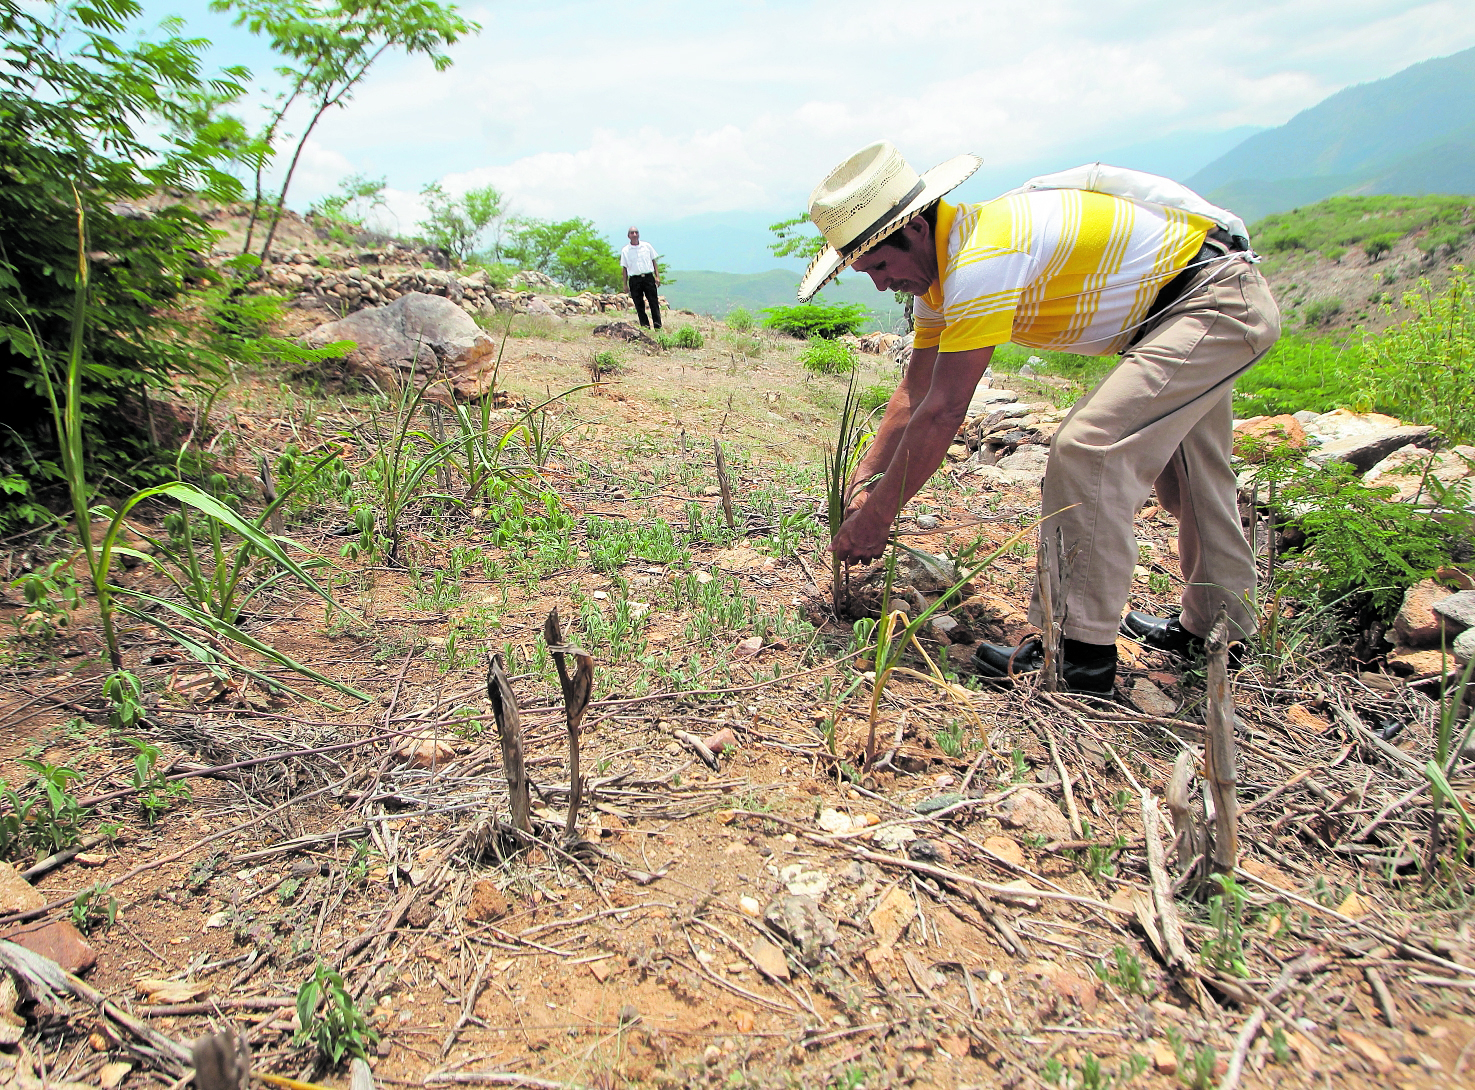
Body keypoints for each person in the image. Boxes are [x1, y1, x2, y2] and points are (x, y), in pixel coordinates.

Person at [800, 141, 1280, 694]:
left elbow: (944, 409)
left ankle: (1077, 654)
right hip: (1186, 308)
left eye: (881, 265)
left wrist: (879, 516)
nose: (880, 284)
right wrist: (865, 482)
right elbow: (915, 390)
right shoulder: (940, 275)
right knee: (1192, 474)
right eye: (866, 272)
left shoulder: (982, 258)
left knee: (1089, 448)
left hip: (1214, 301)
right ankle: (1218, 631)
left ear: (914, 229)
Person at [620, 226, 662, 330]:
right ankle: (645, 327)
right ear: (628, 236)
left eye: (636, 232)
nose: (634, 235)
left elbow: (654, 261)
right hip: (635, 280)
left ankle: (658, 327)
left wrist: (657, 276)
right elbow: (624, 268)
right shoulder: (625, 250)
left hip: (648, 277)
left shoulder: (647, 246)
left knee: (653, 302)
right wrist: (625, 284)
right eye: (632, 233)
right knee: (639, 305)